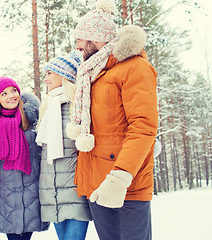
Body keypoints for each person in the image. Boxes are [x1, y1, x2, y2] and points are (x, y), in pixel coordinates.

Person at [66, 0, 159, 239]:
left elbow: (143, 127)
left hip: (125, 184)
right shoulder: (92, 74)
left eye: (81, 39)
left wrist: (120, 177)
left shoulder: (134, 68)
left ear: (96, 39)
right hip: (96, 186)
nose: (77, 45)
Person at [0, 77, 49, 240]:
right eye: (4, 93)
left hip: (32, 190)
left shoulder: (34, 120)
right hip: (7, 194)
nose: (10, 96)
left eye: (13, 91)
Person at [36, 51, 92, 240]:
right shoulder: (47, 108)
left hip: (76, 192)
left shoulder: (78, 107)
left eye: (50, 73)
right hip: (52, 194)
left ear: (64, 75)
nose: (46, 79)